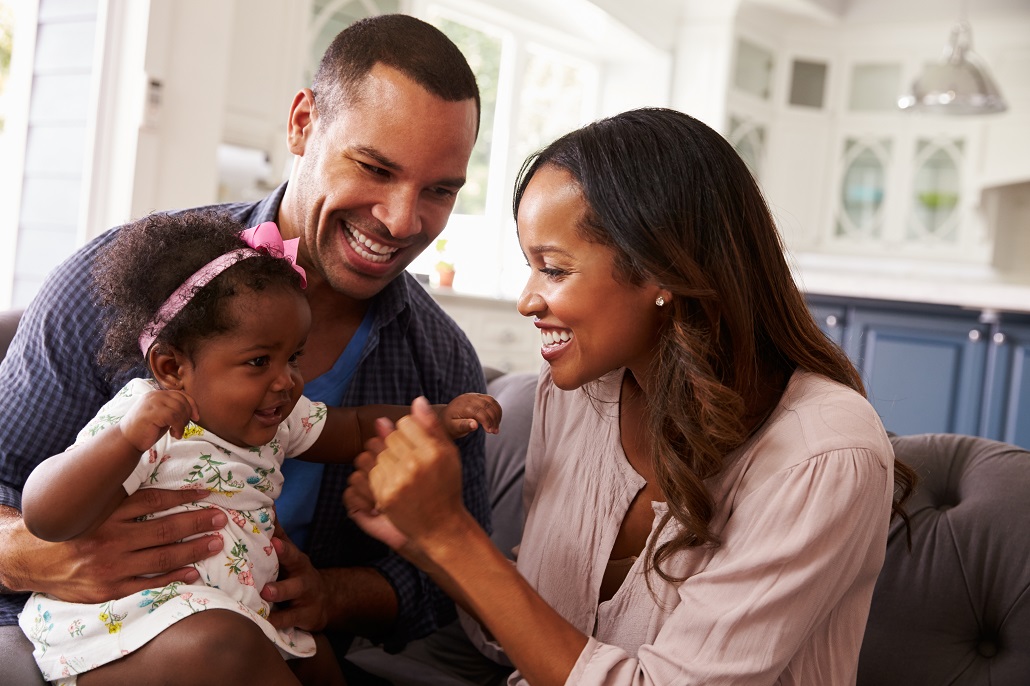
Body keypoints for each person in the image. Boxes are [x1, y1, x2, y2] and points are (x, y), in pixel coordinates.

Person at [345, 107, 917, 685]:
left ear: (661, 269)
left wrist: (452, 535)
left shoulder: (823, 453)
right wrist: (424, 538)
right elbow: (522, 643)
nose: (527, 300)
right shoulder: (574, 396)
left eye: (554, 269)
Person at [0, 13, 488, 685]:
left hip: (271, 636)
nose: (403, 221)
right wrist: (38, 554)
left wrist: (330, 595)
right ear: (301, 124)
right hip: (87, 637)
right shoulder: (125, 288)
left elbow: (447, 581)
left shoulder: (439, 361)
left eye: (439, 190)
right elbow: (19, 487)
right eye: (375, 167)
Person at [17, 213, 500, 685]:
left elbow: (354, 428)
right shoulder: (144, 419)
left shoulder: (280, 418)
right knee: (226, 642)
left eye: (293, 357)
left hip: (243, 611)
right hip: (131, 630)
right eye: (258, 361)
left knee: (317, 654)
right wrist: (123, 442)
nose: (287, 380)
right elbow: (45, 515)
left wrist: (436, 417)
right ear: (171, 368)